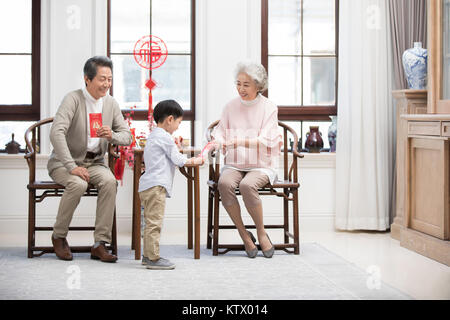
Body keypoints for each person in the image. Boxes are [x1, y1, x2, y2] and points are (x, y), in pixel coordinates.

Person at [48, 56, 132, 263]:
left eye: (110, 79)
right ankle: (58, 237)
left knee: (110, 181)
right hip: (63, 162)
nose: (106, 84)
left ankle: (100, 244)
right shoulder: (73, 99)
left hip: (95, 163)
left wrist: (111, 135)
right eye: (102, 79)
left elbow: (127, 136)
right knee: (77, 184)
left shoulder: (111, 103)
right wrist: (71, 166)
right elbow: (56, 133)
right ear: (87, 79)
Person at [211, 61, 282, 258]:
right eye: (238, 83)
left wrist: (239, 141)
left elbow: (266, 139)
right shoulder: (230, 107)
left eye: (246, 84)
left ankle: (261, 232)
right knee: (224, 184)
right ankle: (244, 234)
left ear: (258, 86)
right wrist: (218, 142)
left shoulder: (269, 107)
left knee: (247, 185)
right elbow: (220, 133)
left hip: (261, 165)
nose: (240, 89)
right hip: (235, 163)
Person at [138, 100, 204, 270]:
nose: (178, 127)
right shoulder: (165, 137)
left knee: (149, 222)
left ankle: (147, 255)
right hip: (156, 187)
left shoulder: (153, 136)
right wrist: (195, 160)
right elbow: (179, 160)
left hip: (146, 185)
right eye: (178, 123)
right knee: (154, 223)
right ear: (169, 119)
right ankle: (153, 258)